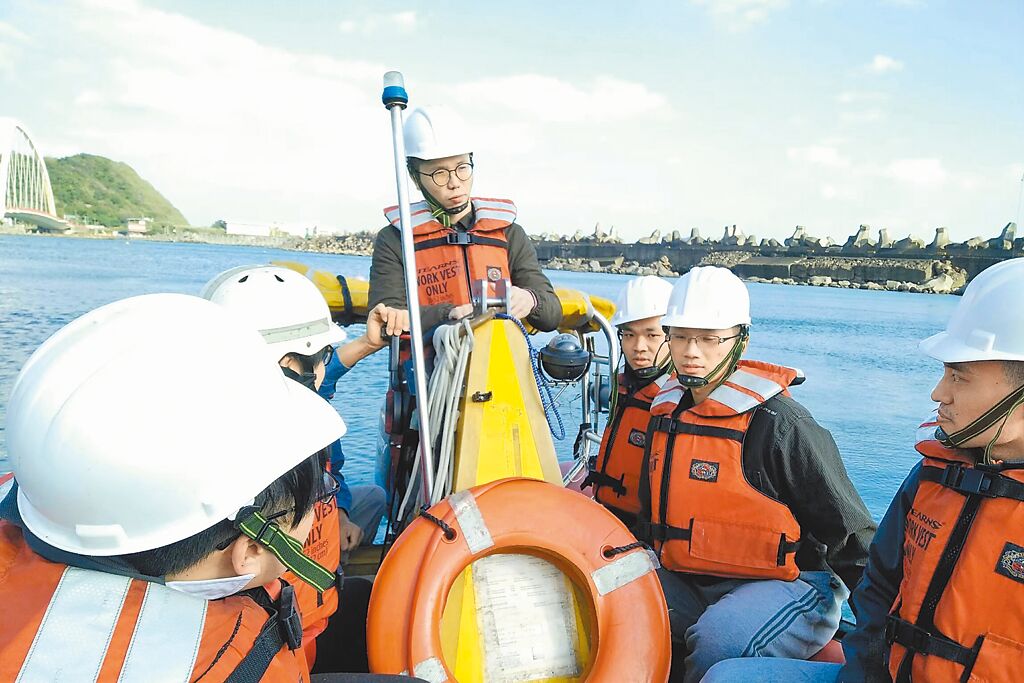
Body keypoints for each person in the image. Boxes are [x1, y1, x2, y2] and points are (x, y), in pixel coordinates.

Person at [702, 258, 1024, 682]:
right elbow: (877, 591)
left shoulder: (784, 426)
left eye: (959, 377)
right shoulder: (934, 475)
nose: (938, 392)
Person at [0, 294, 347, 681]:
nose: (319, 504)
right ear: (250, 548)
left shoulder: (53, 491)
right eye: (319, 493)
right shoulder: (236, 667)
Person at [633, 266, 875, 683]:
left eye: (709, 339)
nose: (692, 351)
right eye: (681, 336)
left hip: (793, 582)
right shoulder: (665, 414)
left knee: (718, 641)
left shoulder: (779, 423)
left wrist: (882, 627)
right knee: (615, 598)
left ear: (739, 340)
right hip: (690, 575)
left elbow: (850, 534)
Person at [202, 265, 389, 671]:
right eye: (322, 356)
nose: (325, 369)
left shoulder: (233, 419)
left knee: (372, 502)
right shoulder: (275, 450)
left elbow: (318, 380)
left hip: (308, 609)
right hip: (286, 637)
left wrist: (365, 345)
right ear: (289, 363)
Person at [368, 106, 561, 333]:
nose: (454, 183)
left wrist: (531, 299)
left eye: (462, 168)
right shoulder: (394, 239)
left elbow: (551, 316)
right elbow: (384, 318)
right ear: (415, 177)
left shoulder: (509, 233)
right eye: (439, 173)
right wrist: (448, 314)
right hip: (428, 366)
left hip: (500, 361)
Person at [585, 275, 675, 527]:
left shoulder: (684, 401)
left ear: (673, 336)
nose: (639, 347)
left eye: (652, 335)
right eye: (629, 334)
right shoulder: (624, 388)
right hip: (609, 515)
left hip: (648, 533)